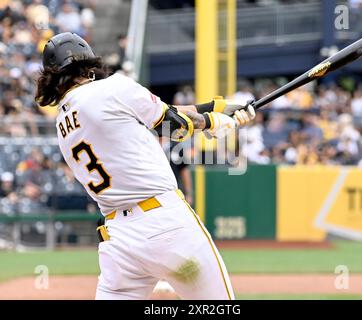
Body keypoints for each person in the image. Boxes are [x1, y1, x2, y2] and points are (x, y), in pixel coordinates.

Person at [35, 32, 255, 300]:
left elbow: (157, 110)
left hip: (119, 240)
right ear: (87, 64)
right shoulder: (112, 87)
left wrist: (214, 107)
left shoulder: (62, 122)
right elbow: (171, 125)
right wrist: (214, 123)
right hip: (165, 223)